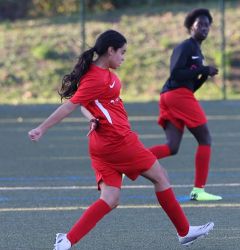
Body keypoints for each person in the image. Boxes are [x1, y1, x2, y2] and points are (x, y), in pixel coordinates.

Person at [28, 30, 214, 250]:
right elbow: (71, 105)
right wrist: (42, 128)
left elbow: (86, 106)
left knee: (110, 198)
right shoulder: (95, 77)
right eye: (122, 52)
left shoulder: (96, 72)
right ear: (110, 50)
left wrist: (92, 119)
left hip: (102, 145)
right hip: (119, 141)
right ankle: (184, 231)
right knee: (161, 177)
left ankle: (66, 241)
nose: (124, 57)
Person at [148, 8, 222, 201]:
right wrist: (203, 69)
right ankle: (199, 190)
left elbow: (189, 84)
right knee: (205, 138)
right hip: (176, 95)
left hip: (174, 95)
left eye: (207, 25)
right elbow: (176, 74)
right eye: (200, 24)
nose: (204, 28)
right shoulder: (186, 47)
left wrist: (204, 75)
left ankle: (127, 162)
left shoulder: (197, 50)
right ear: (191, 27)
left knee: (172, 147)